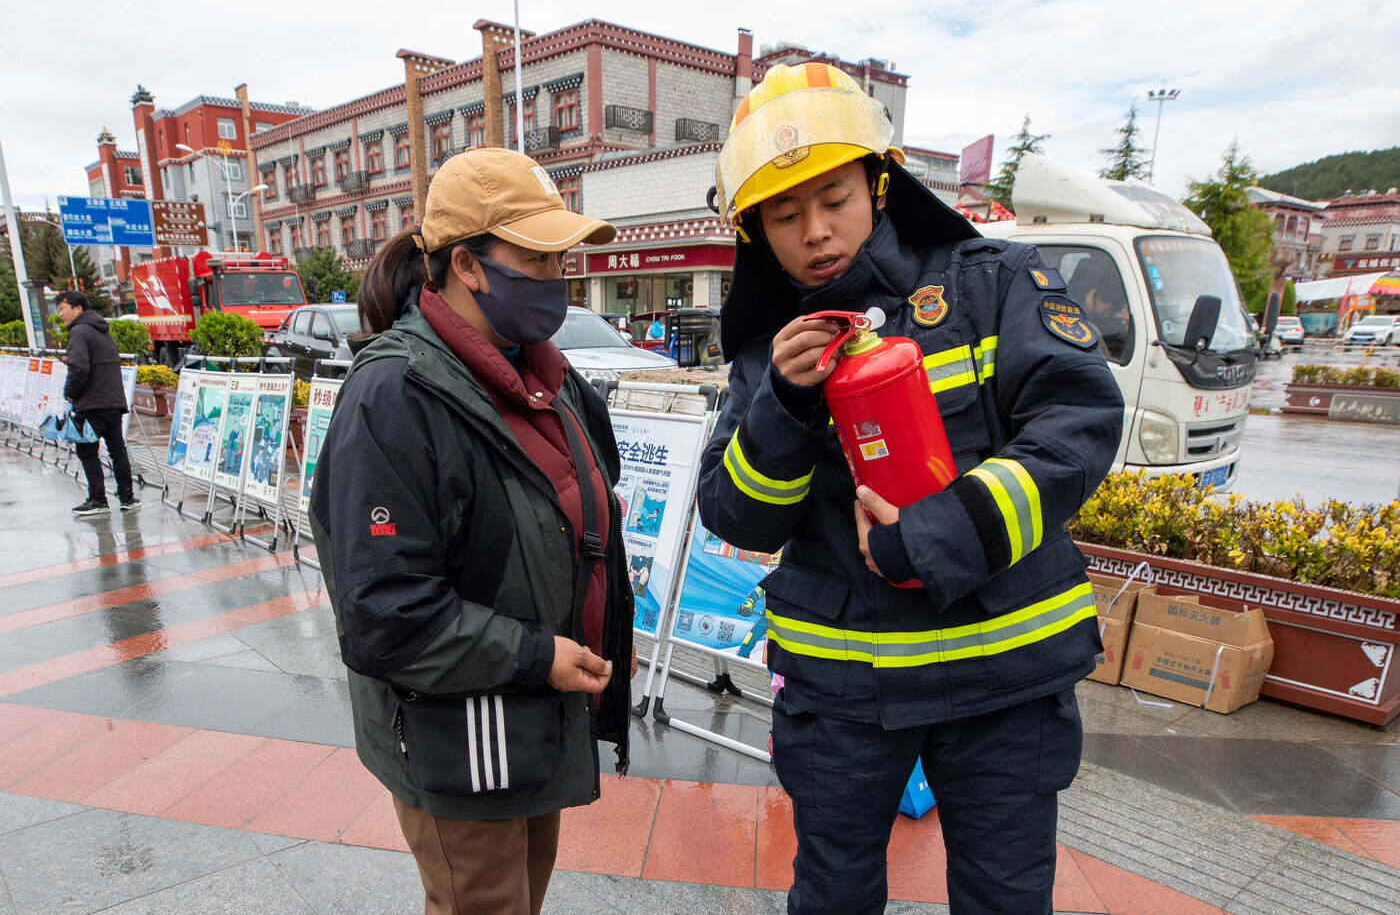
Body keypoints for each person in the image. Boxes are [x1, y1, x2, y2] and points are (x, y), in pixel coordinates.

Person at [698, 63, 1124, 915]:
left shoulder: (991, 280)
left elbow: (1076, 423)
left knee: (1006, 901)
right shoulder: (765, 351)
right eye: (784, 215)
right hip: (842, 694)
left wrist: (934, 534)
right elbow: (738, 514)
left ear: (880, 185)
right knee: (832, 897)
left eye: (835, 199)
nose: (816, 231)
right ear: (755, 233)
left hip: (1005, 679)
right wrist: (784, 405)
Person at [309, 147, 635, 915]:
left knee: (519, 900)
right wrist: (537, 654)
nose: (556, 277)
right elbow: (385, 613)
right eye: (537, 257)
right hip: (459, 727)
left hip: (539, 712)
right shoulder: (394, 396)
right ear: (467, 265)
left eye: (561, 259)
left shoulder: (547, 379)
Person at [57, 291, 138, 515]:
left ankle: (98, 500)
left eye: (63, 308)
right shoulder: (103, 330)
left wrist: (69, 393)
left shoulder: (78, 331)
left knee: (87, 451)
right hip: (113, 401)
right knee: (117, 451)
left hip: (92, 403)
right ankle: (128, 498)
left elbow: (79, 368)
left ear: (78, 308)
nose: (60, 314)